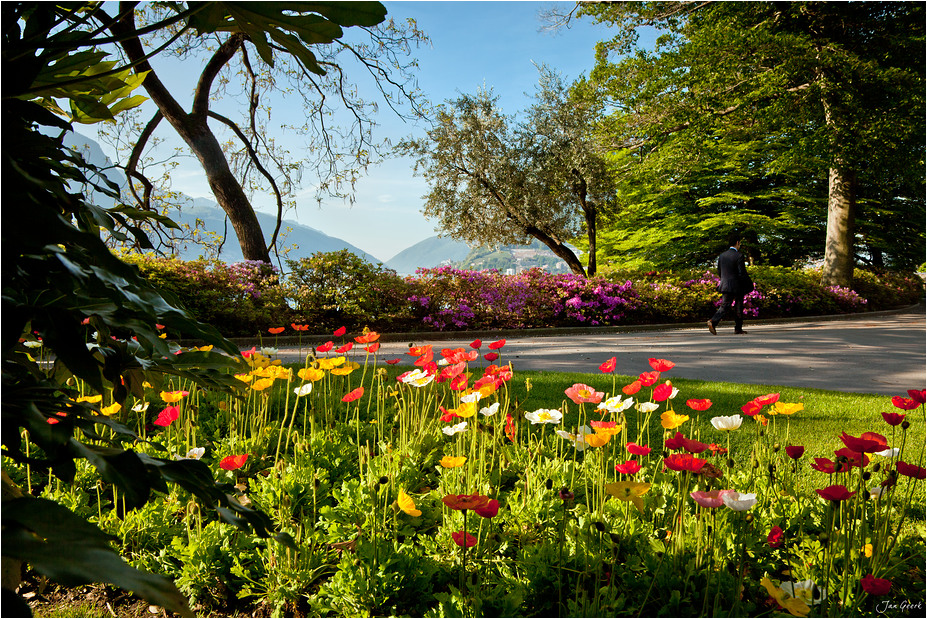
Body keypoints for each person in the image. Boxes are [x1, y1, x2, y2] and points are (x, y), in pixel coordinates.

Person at [707, 232, 753, 335]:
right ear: (738, 243)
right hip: (737, 285)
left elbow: (719, 271)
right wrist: (749, 284)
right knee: (738, 306)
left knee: (725, 305)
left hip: (725, 284)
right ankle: (738, 328)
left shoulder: (722, 256)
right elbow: (742, 273)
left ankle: (713, 321)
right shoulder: (739, 255)